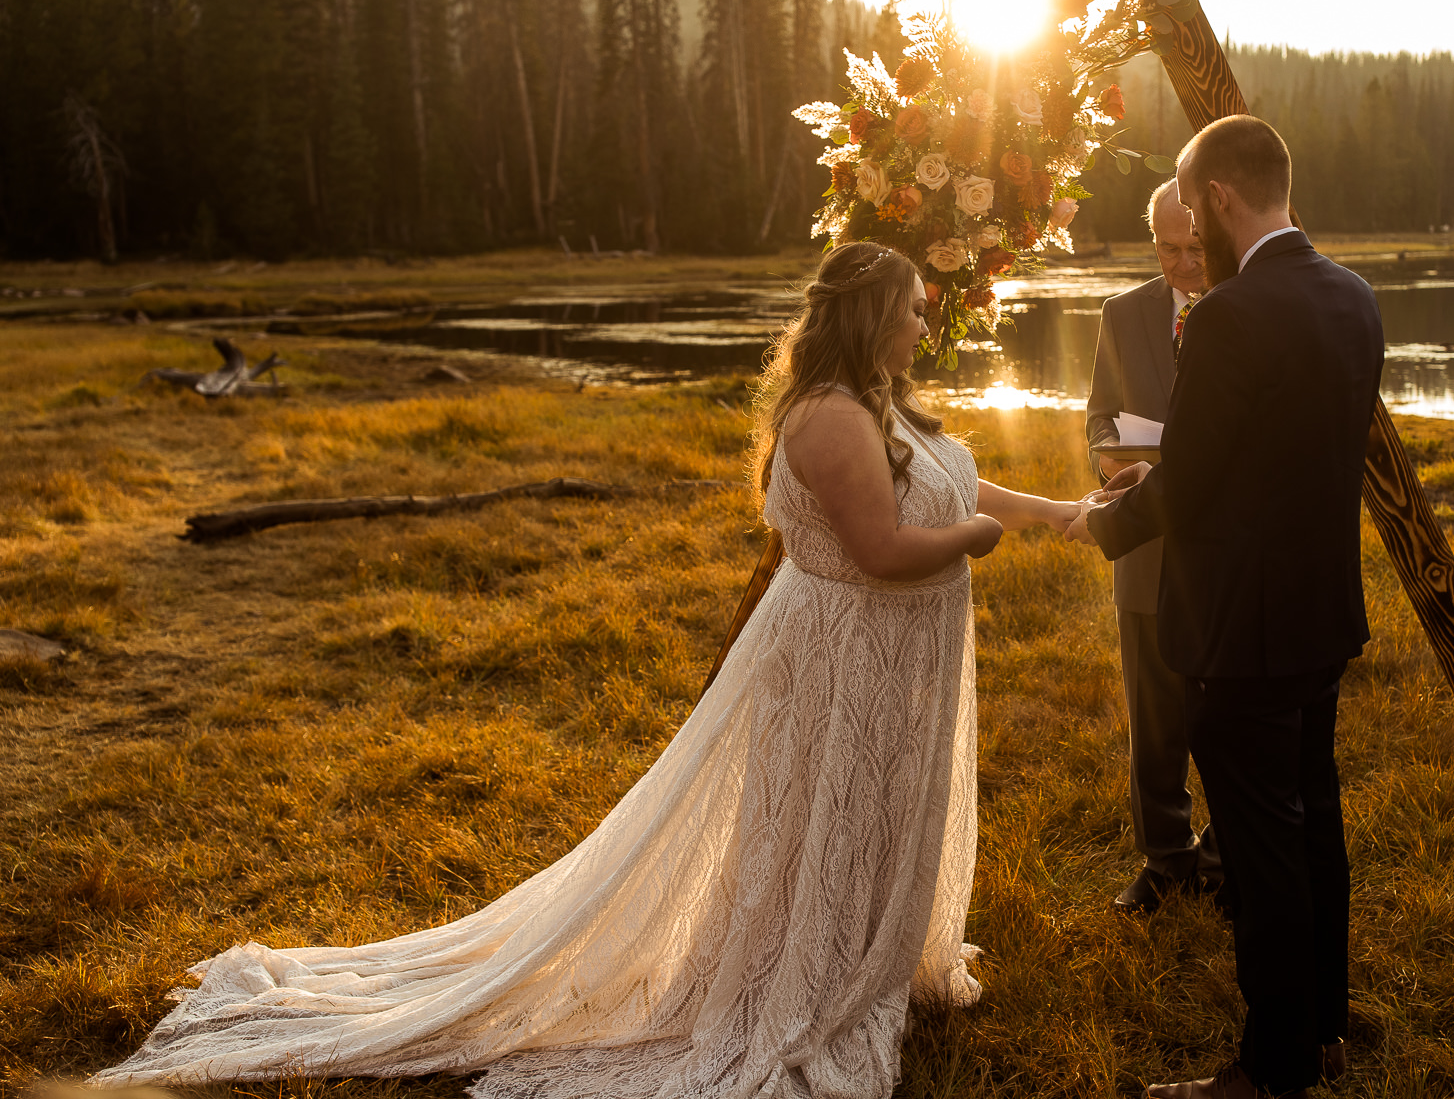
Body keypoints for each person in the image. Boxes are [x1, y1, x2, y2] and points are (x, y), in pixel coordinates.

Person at [92, 242, 1088, 1099]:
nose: (924, 323)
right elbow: (882, 546)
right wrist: (980, 536)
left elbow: (941, 473)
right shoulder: (829, 415)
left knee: (862, 809)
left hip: (881, 661)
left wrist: (1056, 510)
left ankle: (856, 947)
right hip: (836, 659)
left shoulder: (882, 401)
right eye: (913, 308)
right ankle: (798, 971)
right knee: (815, 816)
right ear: (873, 313)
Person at [1068, 116, 1385, 1099]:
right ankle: (1323, 1022)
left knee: (1261, 852)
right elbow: (1286, 460)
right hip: (1321, 614)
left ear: (1217, 201)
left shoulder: (1228, 316)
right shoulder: (1353, 296)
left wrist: (1102, 520)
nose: (1188, 240)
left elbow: (1194, 481)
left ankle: (1271, 1065)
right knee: (1314, 820)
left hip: (1241, 635)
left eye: (1189, 209)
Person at [1084, 179, 1223, 913]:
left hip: (1227, 556)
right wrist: (1105, 463)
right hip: (1145, 550)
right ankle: (1165, 860)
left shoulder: (1248, 310)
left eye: (1196, 250)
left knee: (1227, 716)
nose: (1183, 265)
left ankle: (1227, 856)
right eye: (1168, 250)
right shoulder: (1122, 313)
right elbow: (1099, 420)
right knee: (1154, 719)